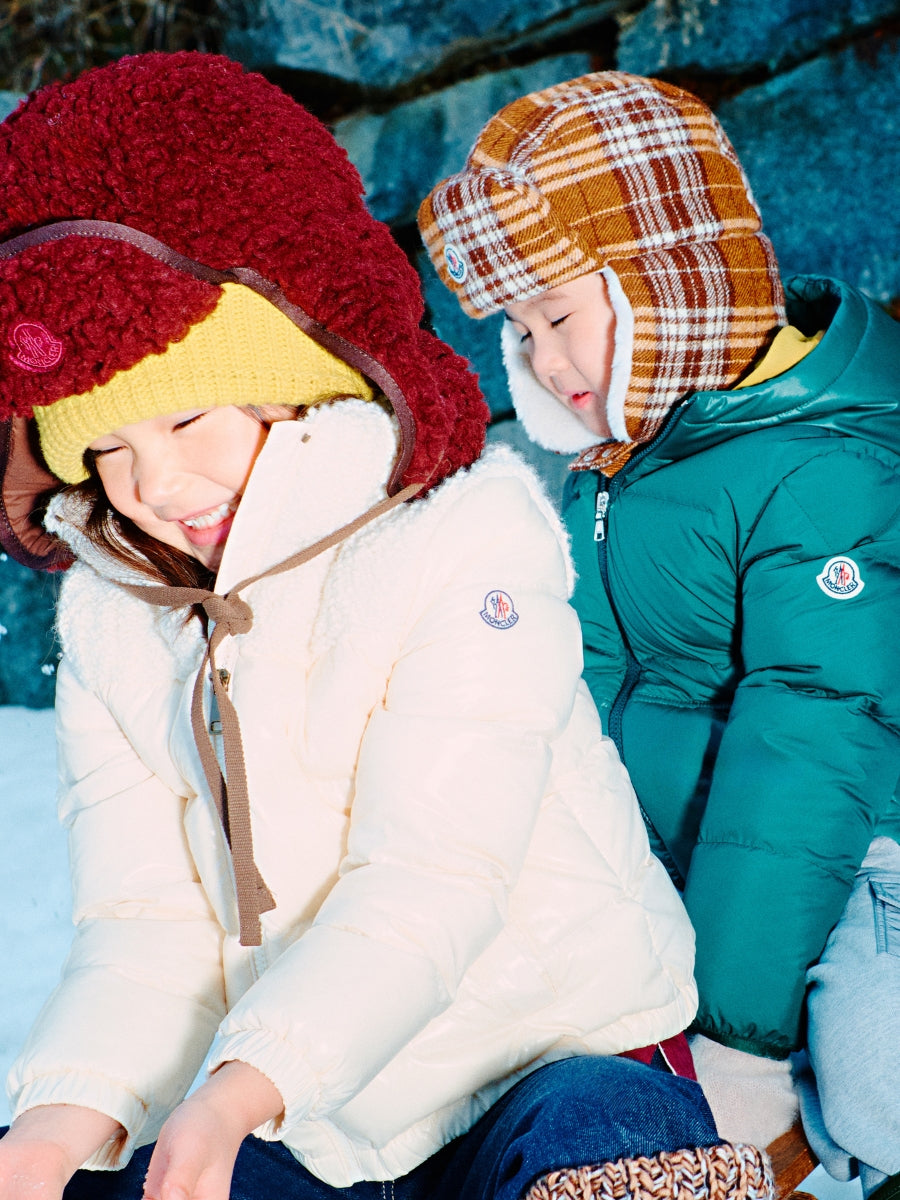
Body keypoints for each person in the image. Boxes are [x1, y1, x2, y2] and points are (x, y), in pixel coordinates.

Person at [0, 53, 773, 1200]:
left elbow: (435, 874)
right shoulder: (122, 619)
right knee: (100, 1174)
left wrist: (241, 1091)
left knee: (603, 1137)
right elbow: (144, 922)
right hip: (326, 1108)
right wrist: (57, 1120)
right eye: (106, 449)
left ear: (294, 382)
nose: (154, 485)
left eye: (190, 422)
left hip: (547, 1055)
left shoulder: (462, 541)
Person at [419, 69, 900, 1192]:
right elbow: (583, 685)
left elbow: (809, 747)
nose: (543, 362)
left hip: (861, 846)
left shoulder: (824, 468)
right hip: (695, 859)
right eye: (519, 330)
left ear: (670, 281)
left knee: (871, 1074)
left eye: (559, 317)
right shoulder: (630, 459)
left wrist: (738, 1038)